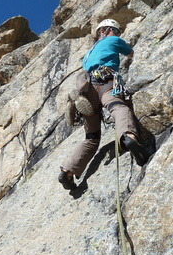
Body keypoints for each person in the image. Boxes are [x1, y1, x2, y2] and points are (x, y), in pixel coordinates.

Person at [59, 19, 152, 190]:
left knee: (91, 138)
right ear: (106, 30)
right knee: (118, 107)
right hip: (105, 81)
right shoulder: (113, 40)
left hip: (85, 90)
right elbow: (131, 53)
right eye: (116, 31)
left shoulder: (87, 54)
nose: (118, 35)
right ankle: (129, 138)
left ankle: (68, 171)